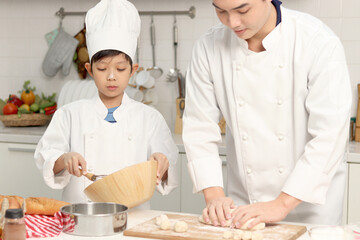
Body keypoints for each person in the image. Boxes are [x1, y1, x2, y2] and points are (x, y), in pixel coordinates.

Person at [183, 0, 351, 227]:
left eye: (243, 10)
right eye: (220, 11)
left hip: (310, 208)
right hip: (244, 205)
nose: (232, 22)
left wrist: (281, 204)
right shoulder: (208, 46)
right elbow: (199, 128)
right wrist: (214, 197)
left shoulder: (316, 41)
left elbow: (329, 136)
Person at [35, 0, 178, 209]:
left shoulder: (150, 118)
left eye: (120, 69)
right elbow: (46, 158)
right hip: (80, 218)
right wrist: (64, 159)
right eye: (102, 69)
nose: (111, 77)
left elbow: (168, 169)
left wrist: (161, 162)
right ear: (90, 69)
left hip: (133, 220)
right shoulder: (69, 114)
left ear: (133, 70)